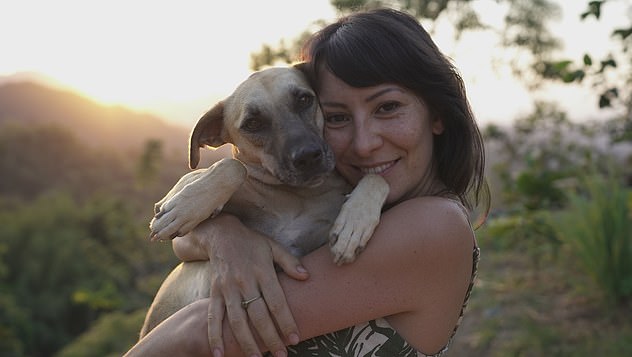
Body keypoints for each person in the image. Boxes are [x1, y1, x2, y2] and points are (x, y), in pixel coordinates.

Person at [124, 7, 487, 357]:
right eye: (337, 117)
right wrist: (225, 235)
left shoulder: (433, 226)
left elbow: (193, 334)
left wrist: (372, 189)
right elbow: (179, 235)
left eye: (388, 107)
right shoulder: (342, 198)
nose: (364, 143)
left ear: (436, 112)